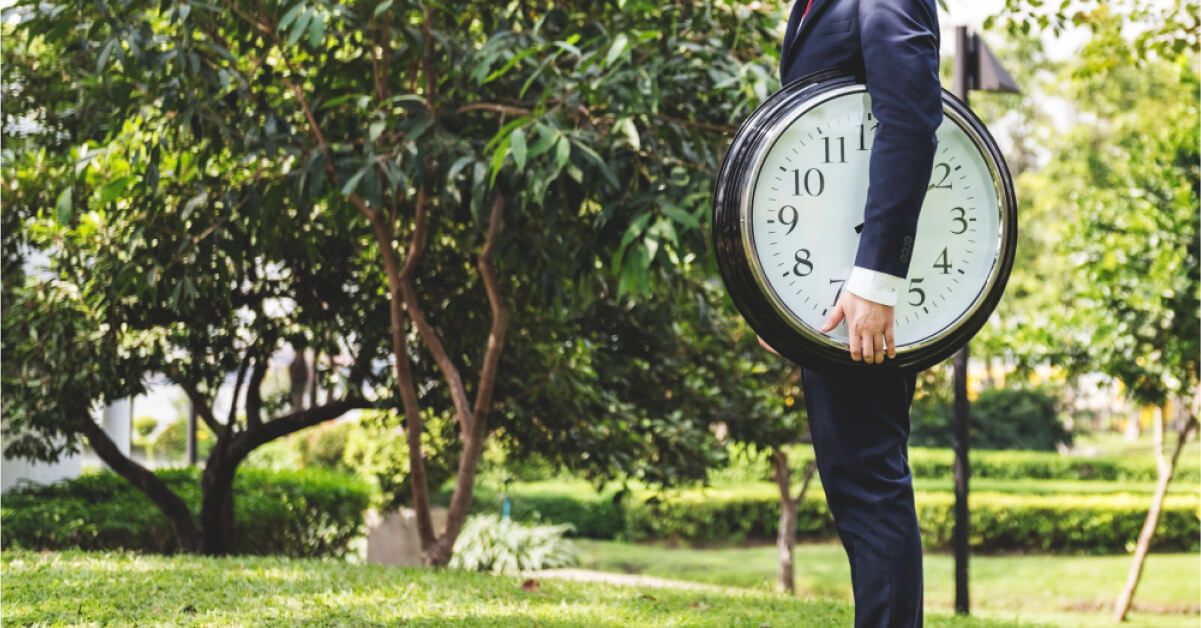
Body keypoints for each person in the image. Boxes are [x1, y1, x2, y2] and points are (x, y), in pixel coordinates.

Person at [763, 1, 943, 627]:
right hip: (831, 291)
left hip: (864, 290)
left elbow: (911, 121)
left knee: (869, 485)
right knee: (858, 485)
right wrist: (778, 303)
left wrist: (878, 278)